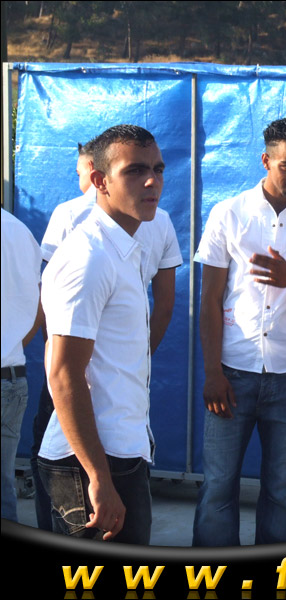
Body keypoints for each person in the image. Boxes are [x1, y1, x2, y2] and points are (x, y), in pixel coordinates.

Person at [192, 118, 286, 546]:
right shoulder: (229, 214)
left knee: (282, 492)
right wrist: (212, 372)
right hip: (231, 374)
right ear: (266, 160)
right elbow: (210, 300)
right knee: (217, 486)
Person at [30, 138, 182, 531]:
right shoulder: (89, 257)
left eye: (158, 169)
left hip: (119, 450)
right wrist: (98, 476)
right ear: (100, 180)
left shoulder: (122, 249)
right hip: (90, 462)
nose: (152, 181)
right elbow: (63, 374)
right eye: (135, 170)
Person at [1, 208, 42, 522]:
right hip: (13, 377)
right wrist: (12, 347)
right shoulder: (20, 231)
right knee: (4, 484)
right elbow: (42, 306)